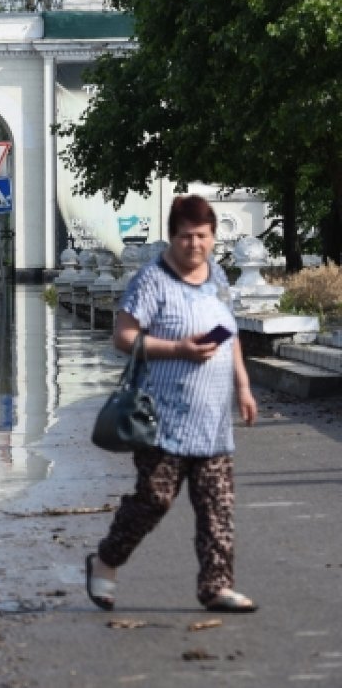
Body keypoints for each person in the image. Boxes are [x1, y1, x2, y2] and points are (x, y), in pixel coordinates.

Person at [86, 194, 260, 613]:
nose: (194, 245)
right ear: (172, 237)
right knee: (154, 499)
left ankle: (216, 586)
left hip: (212, 419)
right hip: (162, 417)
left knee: (218, 506)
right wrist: (178, 349)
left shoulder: (218, 276)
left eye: (202, 236)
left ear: (214, 237)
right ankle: (106, 560)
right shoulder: (151, 280)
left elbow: (229, 334)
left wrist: (243, 386)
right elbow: (123, 337)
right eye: (186, 236)